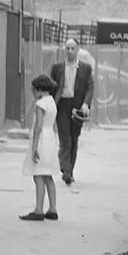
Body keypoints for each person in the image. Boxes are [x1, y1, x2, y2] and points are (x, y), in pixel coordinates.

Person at [49, 39, 94, 185]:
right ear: (64, 50)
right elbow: (52, 87)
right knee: (65, 139)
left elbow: (89, 88)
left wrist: (86, 104)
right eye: (67, 48)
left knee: (74, 139)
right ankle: (65, 170)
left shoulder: (86, 68)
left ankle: (70, 170)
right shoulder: (57, 68)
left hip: (78, 107)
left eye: (72, 48)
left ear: (77, 50)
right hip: (62, 104)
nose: (70, 51)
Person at [20, 74, 59, 221]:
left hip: (42, 139)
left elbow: (38, 126)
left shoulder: (41, 104)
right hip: (50, 139)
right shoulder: (52, 102)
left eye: (34, 91)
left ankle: (38, 209)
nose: (33, 94)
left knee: (38, 176)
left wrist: (34, 146)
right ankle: (53, 208)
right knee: (48, 175)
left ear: (39, 90)